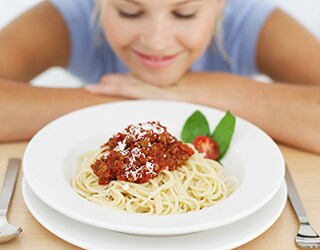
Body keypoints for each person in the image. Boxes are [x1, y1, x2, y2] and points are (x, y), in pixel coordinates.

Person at [0, 0, 319, 154]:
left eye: (185, 13)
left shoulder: (250, 20)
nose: (157, 41)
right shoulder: (70, 15)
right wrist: (125, 98)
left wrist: (200, 90)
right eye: (129, 11)